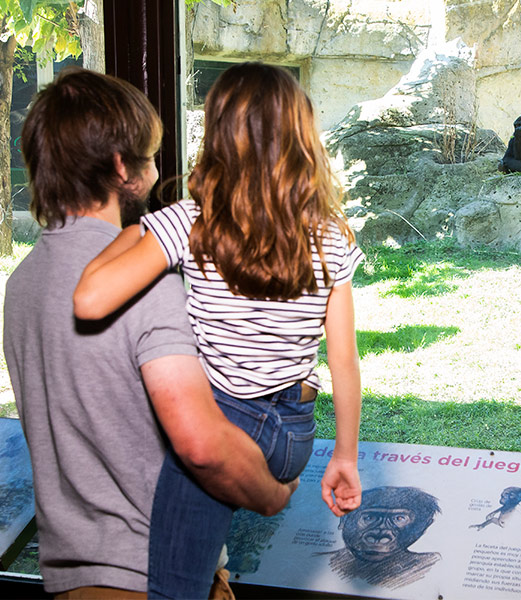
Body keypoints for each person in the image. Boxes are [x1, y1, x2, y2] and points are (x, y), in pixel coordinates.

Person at [3, 67, 297, 598]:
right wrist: (272, 494)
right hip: (154, 574)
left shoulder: (22, 283)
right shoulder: (148, 285)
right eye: (149, 154)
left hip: (69, 578)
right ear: (121, 167)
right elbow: (201, 444)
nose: (158, 169)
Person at [73, 62, 363, 598]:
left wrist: (139, 228)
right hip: (293, 436)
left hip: (224, 423)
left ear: (218, 137)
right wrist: (344, 458)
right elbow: (343, 360)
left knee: (173, 590)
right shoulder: (331, 236)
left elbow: (89, 301)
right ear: (302, 138)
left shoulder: (188, 222)